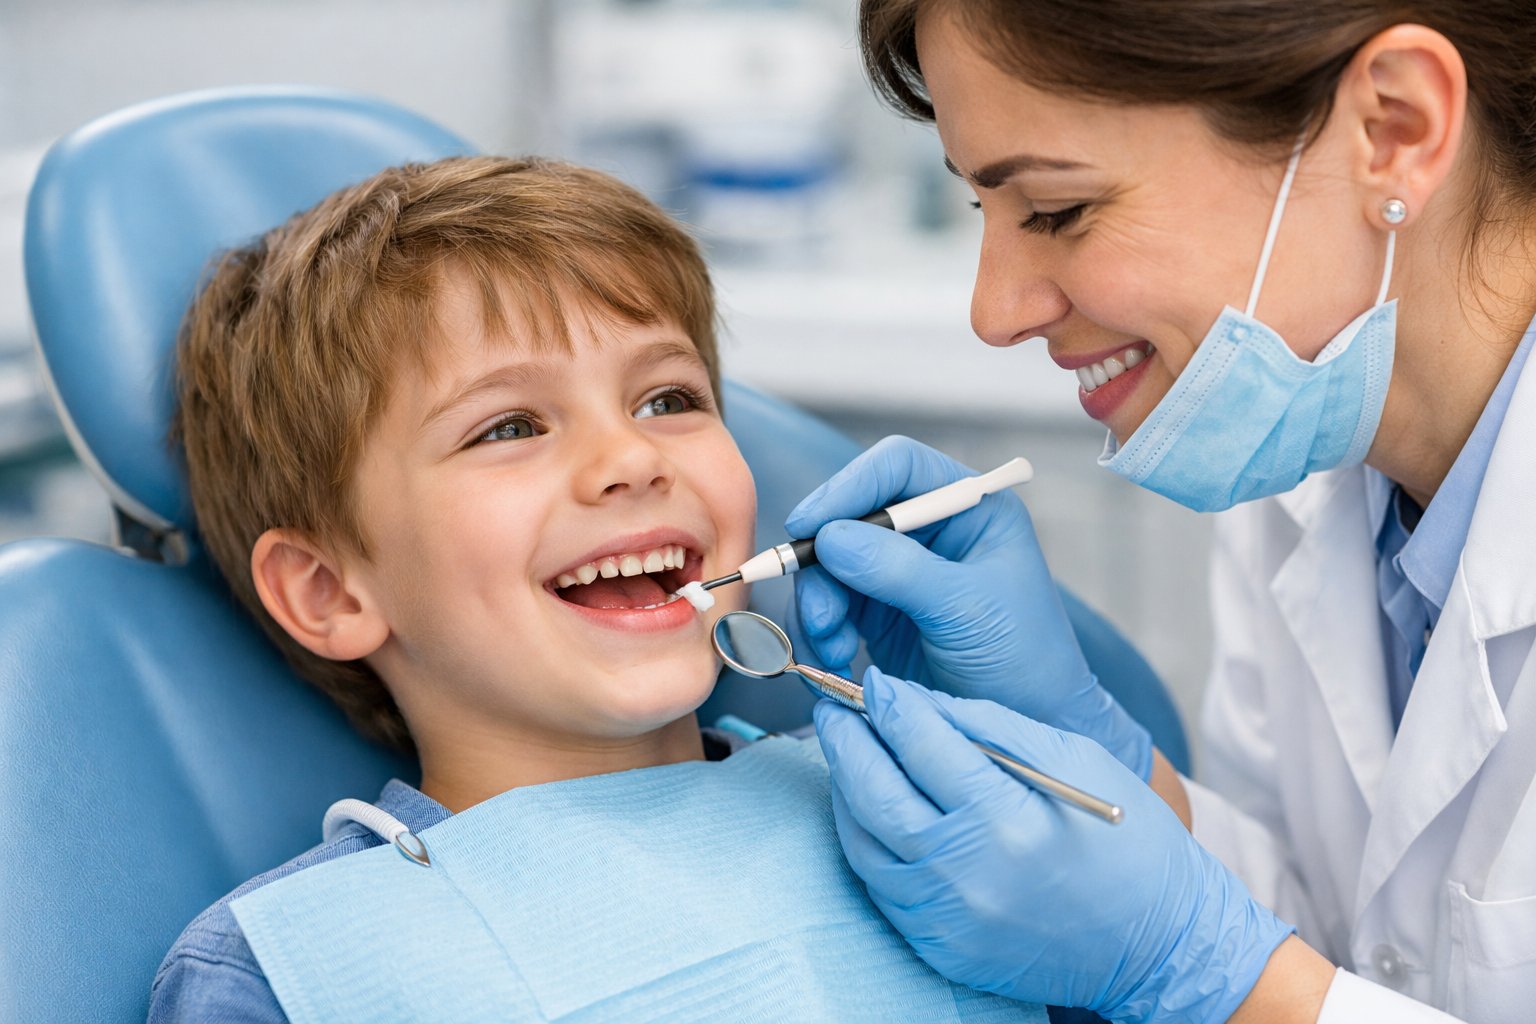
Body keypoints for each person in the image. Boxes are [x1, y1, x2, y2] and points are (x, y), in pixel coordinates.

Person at [148, 155, 1048, 1023]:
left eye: (667, 400)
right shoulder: (290, 972)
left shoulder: (923, 811)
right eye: (508, 425)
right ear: (328, 592)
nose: (631, 458)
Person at [791, 2, 1536, 1022]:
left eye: (1055, 210)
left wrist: (1196, 965)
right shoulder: (1306, 467)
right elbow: (1352, 944)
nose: (994, 310)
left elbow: (1274, 973)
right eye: (982, 210)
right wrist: (1117, 771)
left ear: (1392, 130)